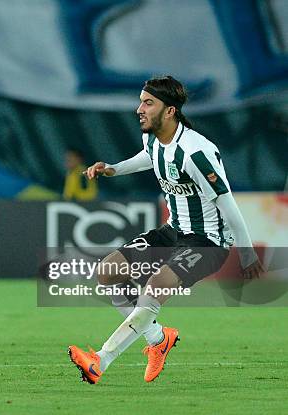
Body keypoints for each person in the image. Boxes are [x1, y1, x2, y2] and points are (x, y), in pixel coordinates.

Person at [68, 75, 264, 384]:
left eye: (148, 103)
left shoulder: (196, 153)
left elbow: (229, 205)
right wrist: (114, 169)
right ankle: (159, 339)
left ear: (169, 110)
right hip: (173, 231)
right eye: (141, 101)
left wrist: (247, 253)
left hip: (208, 241)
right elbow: (149, 157)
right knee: (107, 272)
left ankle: (99, 362)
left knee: (156, 285)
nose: (139, 109)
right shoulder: (153, 137)